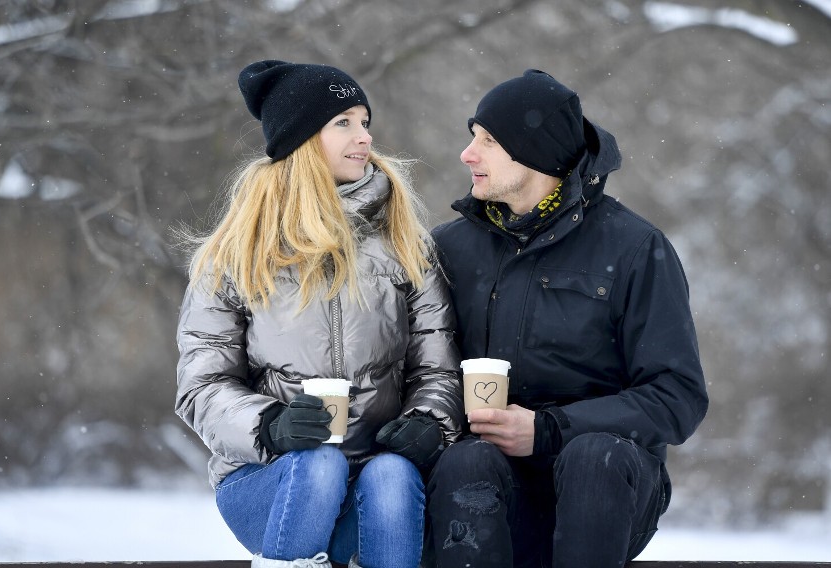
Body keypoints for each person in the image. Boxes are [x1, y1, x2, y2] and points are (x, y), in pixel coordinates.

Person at [174, 60, 464, 568]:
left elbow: (435, 370)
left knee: (392, 475)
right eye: (343, 123)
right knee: (320, 463)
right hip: (266, 479)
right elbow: (201, 386)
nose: (364, 137)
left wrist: (429, 422)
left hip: (374, 476)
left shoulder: (405, 246)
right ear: (302, 139)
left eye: (365, 122)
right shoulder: (237, 254)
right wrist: (269, 426)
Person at [424, 69, 709, 567]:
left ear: (536, 152)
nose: (468, 155)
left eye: (488, 141)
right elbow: (417, 368)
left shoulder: (634, 248)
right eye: (472, 138)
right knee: (466, 457)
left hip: (607, 491)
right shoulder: (449, 247)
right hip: (487, 492)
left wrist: (551, 429)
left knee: (593, 455)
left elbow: (677, 397)